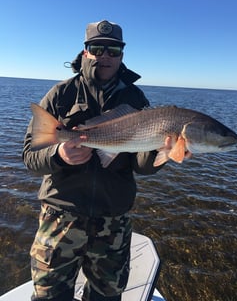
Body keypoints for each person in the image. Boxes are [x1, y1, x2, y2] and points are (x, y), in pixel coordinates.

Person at [23, 20, 168, 301]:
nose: (105, 56)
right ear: (86, 51)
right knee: (48, 296)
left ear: (122, 55)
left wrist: (162, 154)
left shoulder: (136, 100)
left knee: (107, 296)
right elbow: (29, 157)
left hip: (112, 221)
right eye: (97, 48)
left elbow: (141, 164)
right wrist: (59, 155)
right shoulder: (60, 95)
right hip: (59, 217)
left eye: (113, 50)